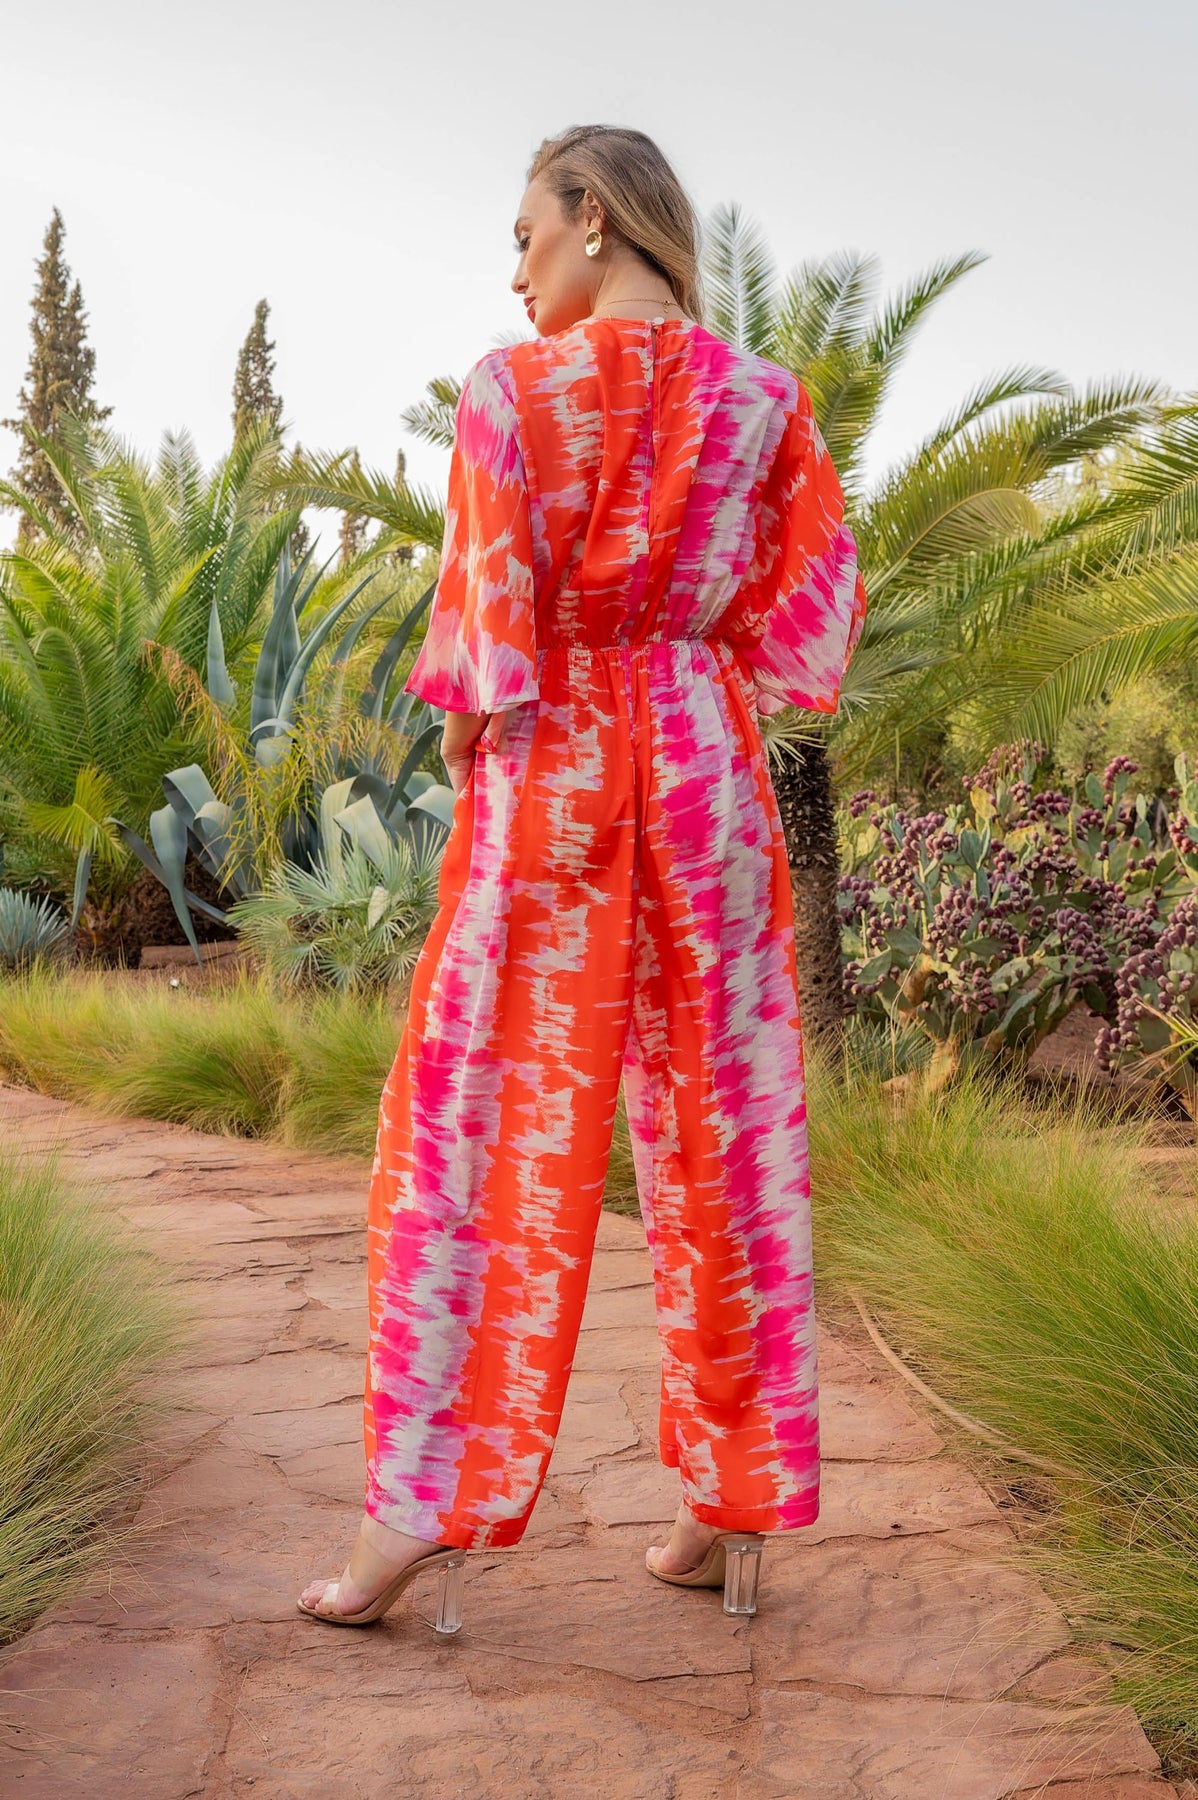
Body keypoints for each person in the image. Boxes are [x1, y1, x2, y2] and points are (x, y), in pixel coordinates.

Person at [299, 123, 867, 1630]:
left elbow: (483, 644)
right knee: (729, 1132)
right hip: (704, 773)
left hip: (554, 771)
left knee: (479, 1130)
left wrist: (490, 742)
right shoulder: (768, 401)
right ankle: (734, 1505)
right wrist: (685, 658)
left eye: (527, 232)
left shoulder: (509, 389)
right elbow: (809, 618)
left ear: (595, 218)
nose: (516, 268)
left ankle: (417, 1517)